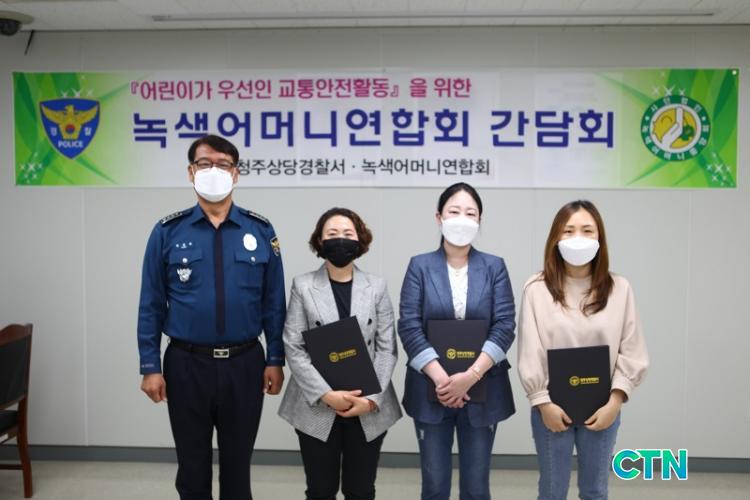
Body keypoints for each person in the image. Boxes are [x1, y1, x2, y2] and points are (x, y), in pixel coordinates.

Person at [137, 134, 286, 500]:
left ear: (236, 174)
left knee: (238, 466)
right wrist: (150, 365)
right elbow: (151, 303)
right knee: (192, 466)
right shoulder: (167, 231)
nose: (214, 171)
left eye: (223, 164)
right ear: (191, 172)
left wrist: (275, 358)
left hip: (245, 363)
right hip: (186, 364)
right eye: (205, 164)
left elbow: (273, 302)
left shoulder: (260, 230)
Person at [517, 200, 649, 500]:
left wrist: (615, 402)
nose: (578, 238)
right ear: (555, 238)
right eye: (569, 230)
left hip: (603, 408)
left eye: (587, 230)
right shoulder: (536, 288)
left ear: (599, 237)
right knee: (552, 491)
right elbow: (530, 350)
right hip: (551, 408)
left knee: (595, 490)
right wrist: (542, 402)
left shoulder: (619, 289)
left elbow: (632, 349)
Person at [397, 183, 516, 500]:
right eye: (454, 211)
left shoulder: (494, 267)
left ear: (479, 220)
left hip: (483, 387)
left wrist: (470, 377)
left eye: (470, 213)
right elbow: (409, 325)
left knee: (476, 487)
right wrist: (443, 380)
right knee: (434, 485)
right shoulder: (420, 266)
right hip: (430, 389)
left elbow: (505, 325)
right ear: (439, 217)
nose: (462, 219)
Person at [279, 207, 402, 500]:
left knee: (361, 490)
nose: (341, 239)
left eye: (348, 233)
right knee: (320, 490)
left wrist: (370, 400)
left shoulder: (376, 286)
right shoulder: (303, 285)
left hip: (367, 403)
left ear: (360, 240)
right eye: (332, 233)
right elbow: (293, 346)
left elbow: (387, 348)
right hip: (317, 403)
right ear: (320, 241)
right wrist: (326, 394)